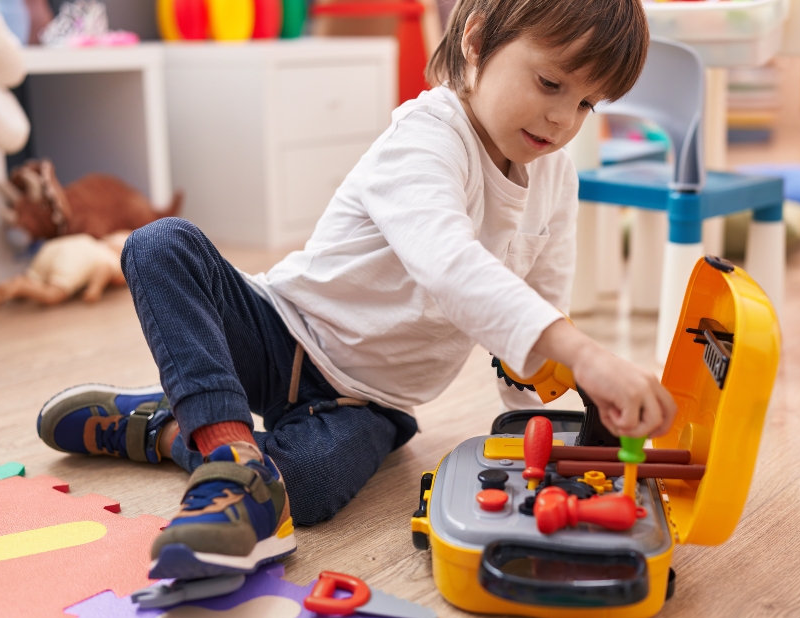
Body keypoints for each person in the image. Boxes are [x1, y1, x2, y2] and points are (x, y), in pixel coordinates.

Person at [34, 0, 674, 583]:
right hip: (283, 331)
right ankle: (233, 462)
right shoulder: (426, 137)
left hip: (372, 402)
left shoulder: (557, 181)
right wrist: (588, 353)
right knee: (158, 245)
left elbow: (533, 335)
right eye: (550, 82)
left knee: (307, 491)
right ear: (477, 41)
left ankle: (170, 428)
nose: (564, 119)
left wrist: (570, 407)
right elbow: (448, 264)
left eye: (588, 103)